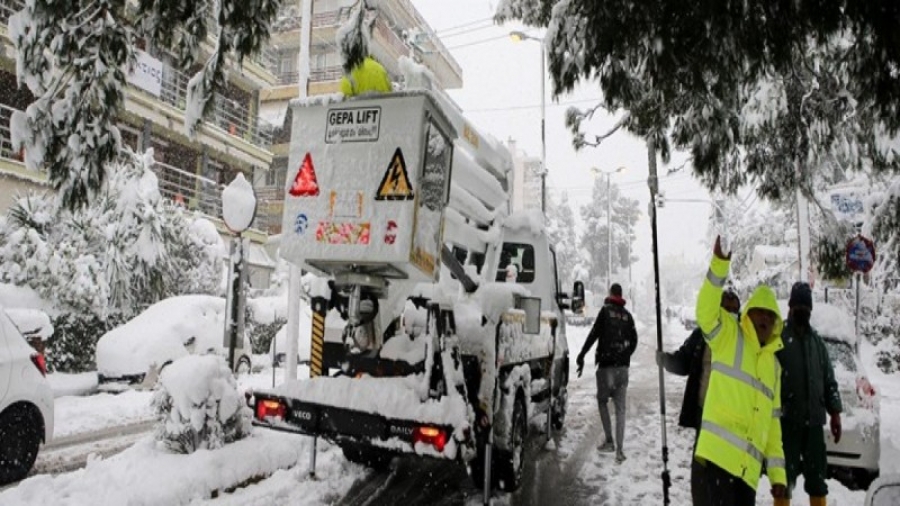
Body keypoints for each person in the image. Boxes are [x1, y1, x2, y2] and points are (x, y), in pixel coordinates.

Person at [693, 236, 787, 505]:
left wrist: (778, 473)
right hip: (718, 460)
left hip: (748, 472)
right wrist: (719, 265)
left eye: (771, 316)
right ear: (748, 315)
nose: (765, 319)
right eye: (760, 313)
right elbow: (705, 312)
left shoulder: (774, 367)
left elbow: (773, 422)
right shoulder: (730, 336)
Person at [657, 289, 741, 505]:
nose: (730, 314)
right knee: (701, 475)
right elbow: (683, 361)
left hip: (731, 422)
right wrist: (665, 360)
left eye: (734, 311)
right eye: (726, 309)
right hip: (705, 417)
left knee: (726, 476)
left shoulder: (742, 339)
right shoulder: (703, 334)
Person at [774, 282, 842, 506]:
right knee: (783, 481)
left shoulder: (817, 343)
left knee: (817, 480)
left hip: (814, 424)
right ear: (790, 307)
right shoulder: (779, 339)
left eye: (806, 306)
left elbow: (829, 381)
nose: (802, 310)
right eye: (798, 306)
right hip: (787, 423)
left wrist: (835, 413)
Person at [576, 283, 638, 463]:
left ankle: (609, 440)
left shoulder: (605, 312)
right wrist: (624, 355)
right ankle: (620, 450)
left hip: (605, 368)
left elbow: (594, 334)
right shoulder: (628, 316)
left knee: (602, 401)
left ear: (611, 294)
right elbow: (634, 340)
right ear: (621, 295)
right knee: (620, 409)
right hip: (622, 369)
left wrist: (582, 354)